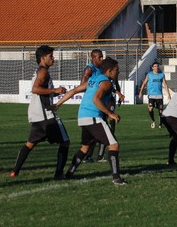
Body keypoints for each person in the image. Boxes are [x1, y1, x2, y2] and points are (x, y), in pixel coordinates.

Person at [54, 57, 126, 185]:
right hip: (93, 117)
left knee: (85, 148)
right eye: (117, 70)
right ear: (109, 71)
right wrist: (111, 113)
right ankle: (116, 178)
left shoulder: (93, 79)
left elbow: (74, 90)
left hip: (82, 116)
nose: (118, 72)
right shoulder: (106, 82)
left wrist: (58, 104)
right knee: (114, 145)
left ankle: (69, 174)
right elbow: (96, 100)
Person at [11, 45, 70, 180]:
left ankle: (15, 170)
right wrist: (55, 91)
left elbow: (41, 92)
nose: (53, 59)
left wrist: (56, 92)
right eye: (50, 56)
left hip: (37, 116)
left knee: (30, 144)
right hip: (46, 116)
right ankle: (59, 174)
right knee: (65, 142)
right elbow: (36, 89)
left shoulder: (39, 71)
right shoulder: (43, 72)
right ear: (43, 58)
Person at [80, 49, 126, 162]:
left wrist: (117, 92)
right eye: (99, 57)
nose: (101, 59)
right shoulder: (90, 69)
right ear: (93, 58)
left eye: (102, 57)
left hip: (103, 99)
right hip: (96, 104)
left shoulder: (103, 70)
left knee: (104, 128)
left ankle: (96, 156)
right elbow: (84, 85)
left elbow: (110, 84)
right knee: (106, 129)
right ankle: (96, 157)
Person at [138, 61, 171, 128]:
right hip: (151, 95)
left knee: (161, 111)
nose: (156, 67)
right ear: (152, 68)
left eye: (157, 66)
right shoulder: (149, 74)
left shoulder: (161, 74)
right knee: (150, 109)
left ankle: (160, 124)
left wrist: (168, 94)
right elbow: (144, 83)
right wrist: (140, 92)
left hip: (159, 95)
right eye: (155, 66)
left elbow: (165, 84)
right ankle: (153, 121)